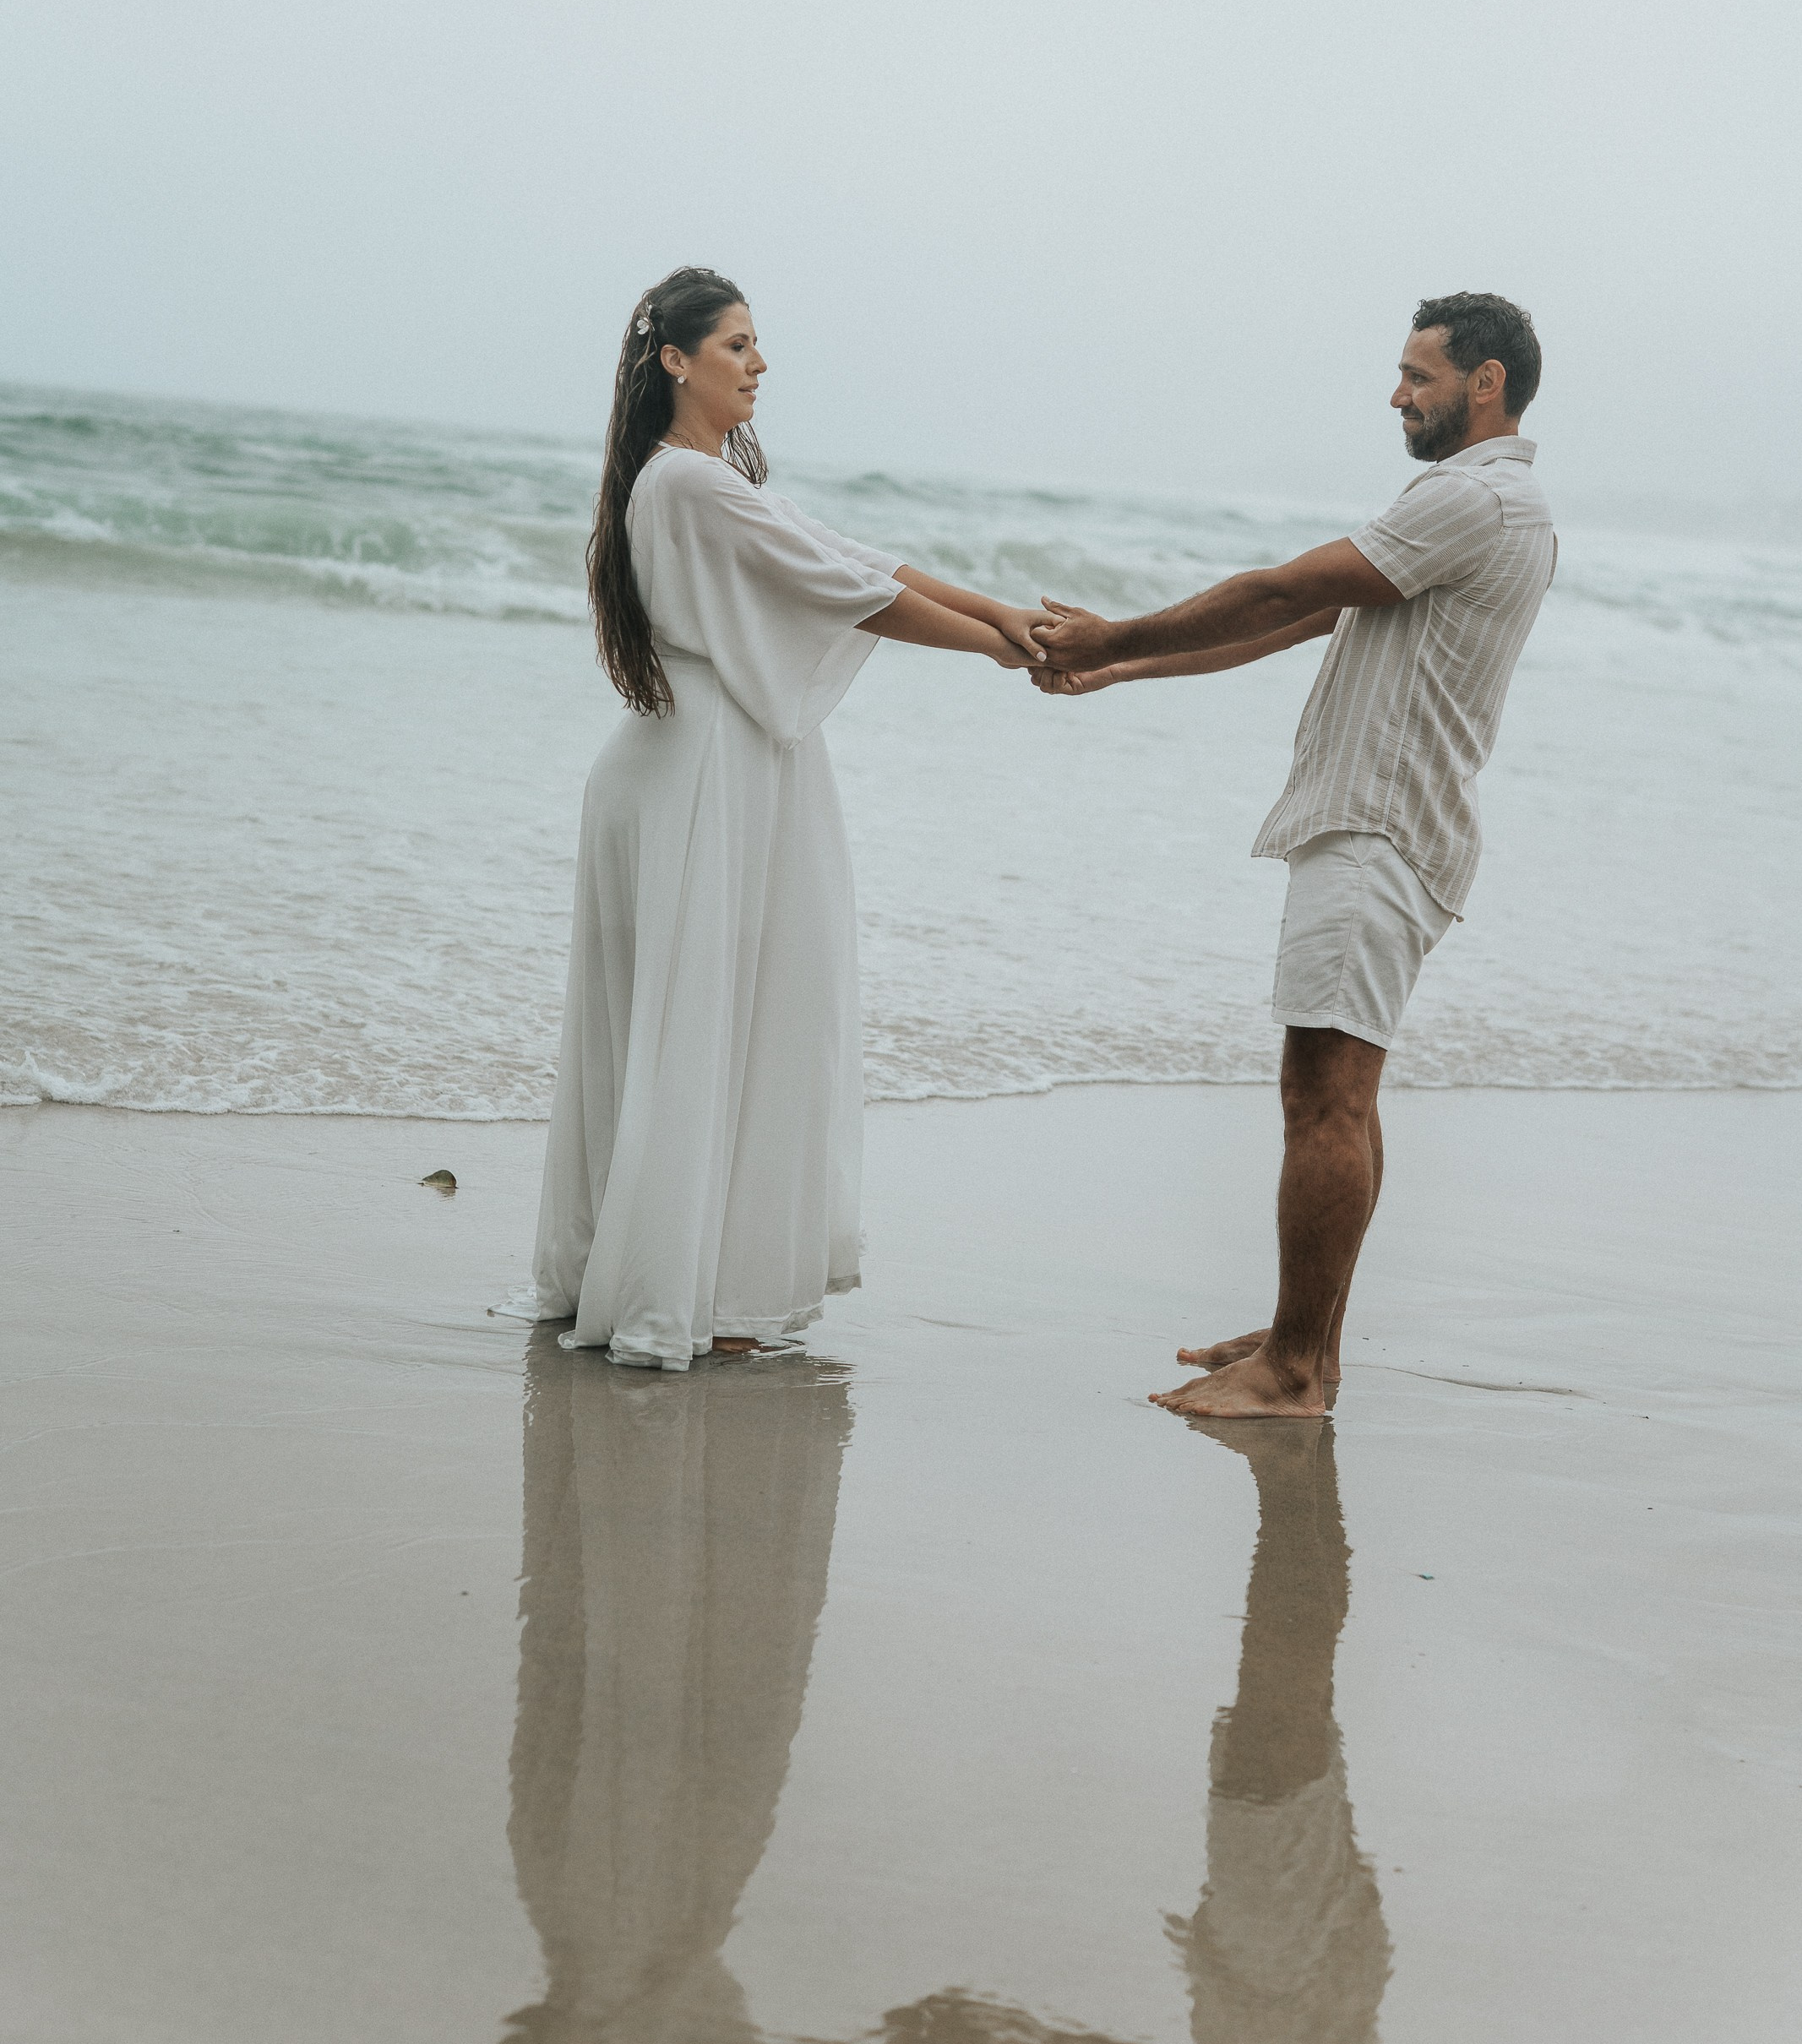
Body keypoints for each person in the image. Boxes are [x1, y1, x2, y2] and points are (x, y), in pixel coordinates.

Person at [499, 266, 1042, 1371]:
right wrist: (1001, 647)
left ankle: (637, 1270)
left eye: (757, 346)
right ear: (674, 361)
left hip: (679, 762)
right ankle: (686, 1294)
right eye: (737, 345)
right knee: (719, 1024)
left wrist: (1003, 614)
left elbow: (849, 560)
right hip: (706, 770)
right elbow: (852, 591)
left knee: (673, 1028)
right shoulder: (689, 485)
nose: (757, 365)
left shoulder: (681, 479)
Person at [1032, 294, 1555, 1419]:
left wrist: (1111, 633)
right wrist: (1126, 672)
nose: (1395, 392)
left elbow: (1285, 587)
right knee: (1334, 1095)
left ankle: (1295, 1372)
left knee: (1325, 1099)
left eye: (1417, 373)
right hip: (1388, 828)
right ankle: (1301, 1336)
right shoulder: (1494, 506)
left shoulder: (1472, 496)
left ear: (1486, 383)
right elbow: (1315, 620)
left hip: (1377, 830)